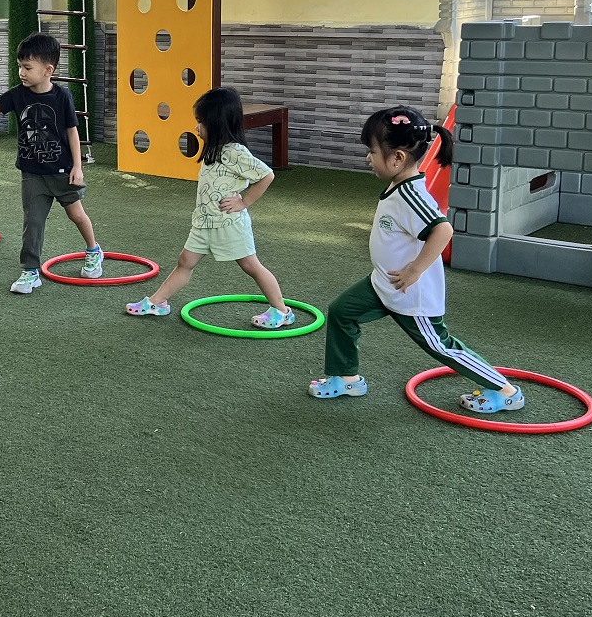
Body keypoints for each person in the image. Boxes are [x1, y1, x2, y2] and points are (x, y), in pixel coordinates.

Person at [311, 105, 525, 413]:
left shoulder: (412, 196)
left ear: (397, 158)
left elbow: (443, 230)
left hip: (411, 294)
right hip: (384, 284)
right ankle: (347, 378)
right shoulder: (398, 187)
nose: (368, 158)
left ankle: (505, 391)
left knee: (440, 346)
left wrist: (415, 270)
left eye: (372, 151)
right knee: (342, 311)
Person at [0, 32, 102, 293]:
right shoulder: (17, 95)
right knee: (33, 223)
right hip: (32, 174)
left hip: (61, 171)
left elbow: (72, 132)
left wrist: (77, 166)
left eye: (27, 67)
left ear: (48, 70)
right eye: (19, 66)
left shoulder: (62, 97)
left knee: (76, 215)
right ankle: (30, 271)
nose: (21, 72)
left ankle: (93, 250)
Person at [126, 87, 294, 327]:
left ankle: (282, 311)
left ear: (217, 124)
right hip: (204, 223)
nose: (197, 127)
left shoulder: (235, 152)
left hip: (228, 224)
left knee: (251, 265)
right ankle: (157, 302)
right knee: (185, 262)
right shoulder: (213, 149)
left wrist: (243, 202)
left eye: (201, 122)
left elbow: (267, 175)